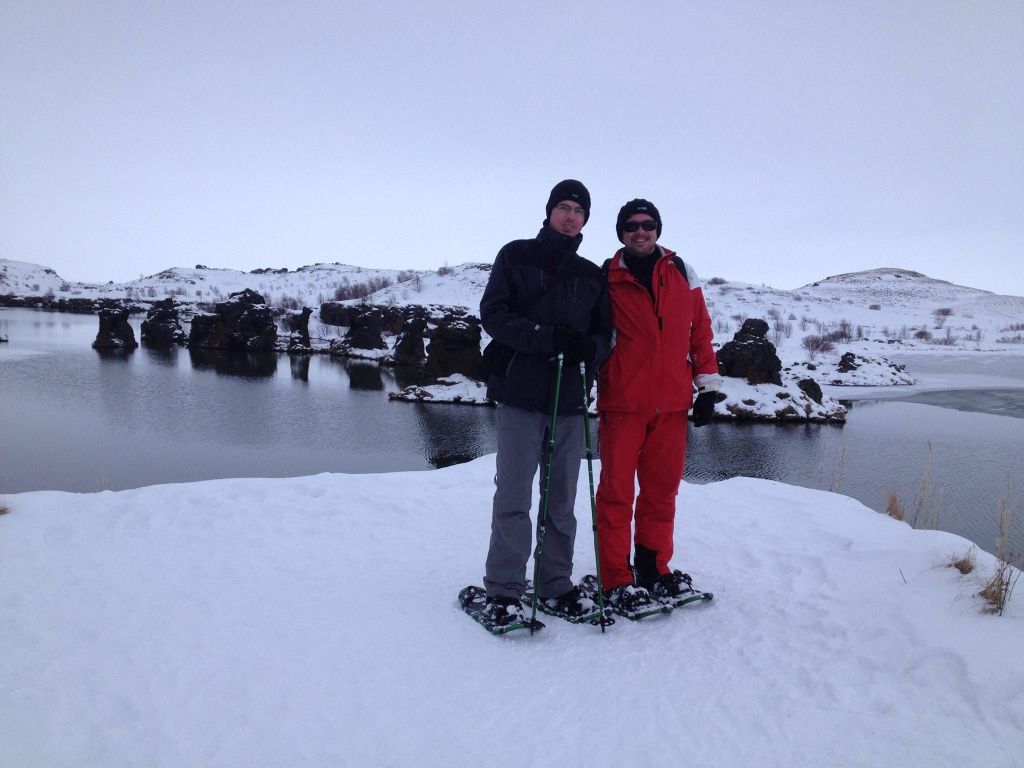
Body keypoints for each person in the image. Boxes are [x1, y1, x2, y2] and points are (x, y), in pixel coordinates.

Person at [478, 179, 611, 626]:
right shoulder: (515, 255)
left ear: (585, 220)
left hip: (570, 400)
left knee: (562, 500)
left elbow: (604, 335)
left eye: (579, 210)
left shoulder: (592, 275)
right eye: (564, 207)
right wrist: (545, 339)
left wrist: (587, 352)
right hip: (520, 395)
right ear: (550, 211)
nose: (571, 216)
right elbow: (494, 314)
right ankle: (504, 587)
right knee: (514, 496)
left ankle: (556, 583)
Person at [595, 198, 722, 614]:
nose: (640, 231)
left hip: (670, 405)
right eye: (631, 225)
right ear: (621, 232)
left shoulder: (683, 272)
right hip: (623, 404)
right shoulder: (607, 276)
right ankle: (616, 577)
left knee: (661, 493)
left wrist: (707, 388)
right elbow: (594, 338)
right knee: (616, 494)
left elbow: (699, 333)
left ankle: (653, 568)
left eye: (648, 224)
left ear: (657, 229)